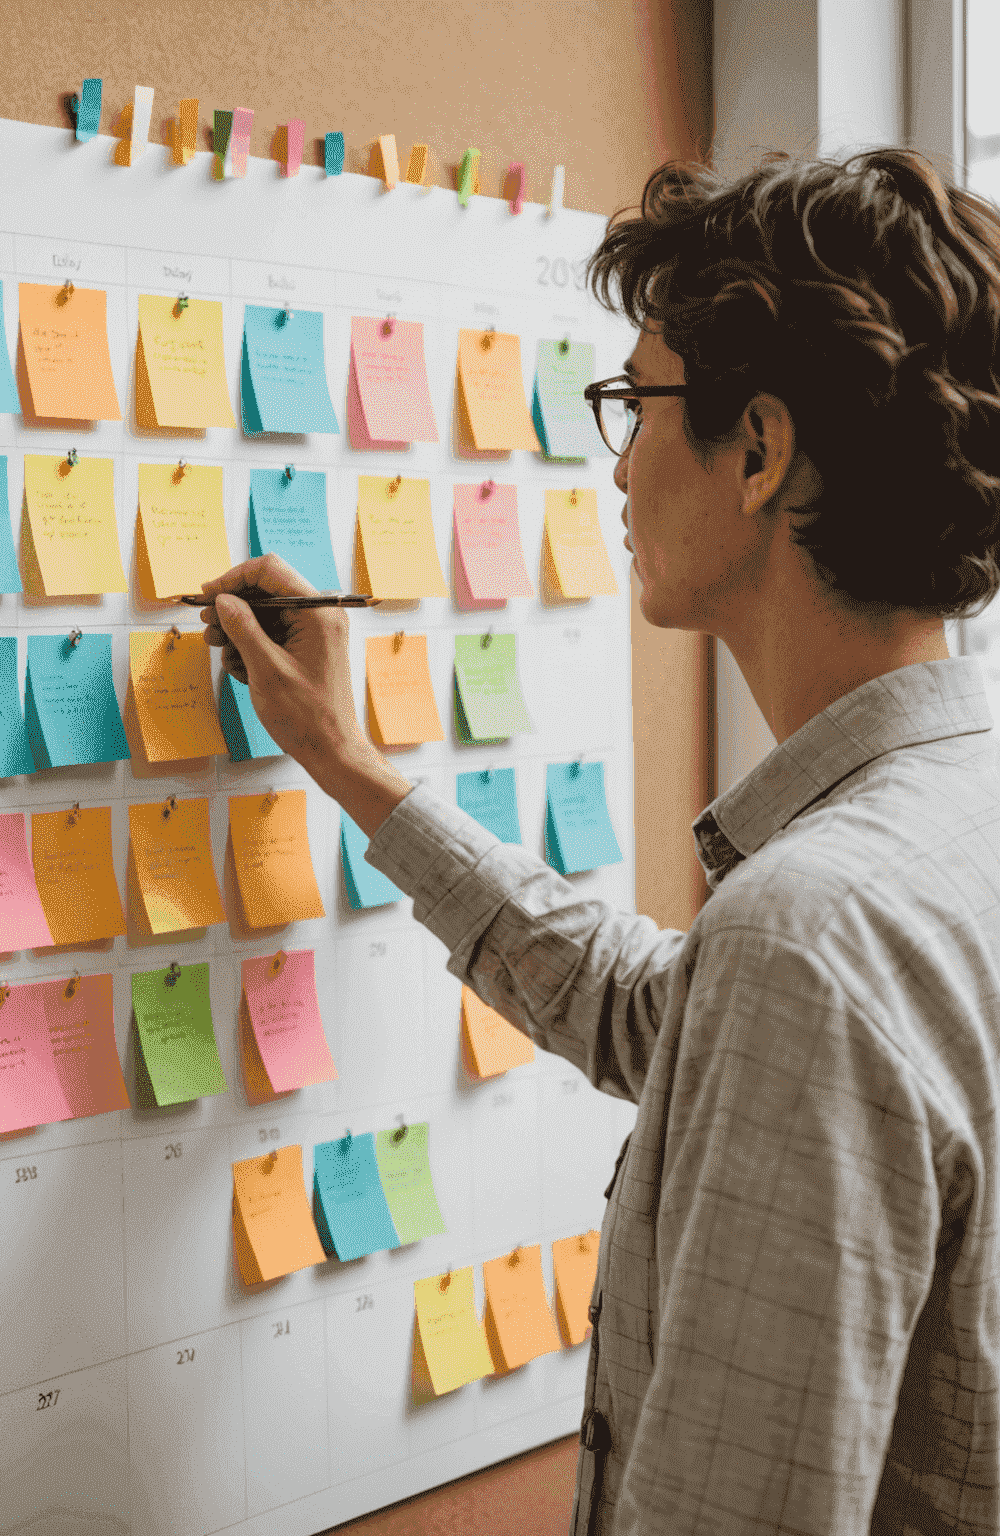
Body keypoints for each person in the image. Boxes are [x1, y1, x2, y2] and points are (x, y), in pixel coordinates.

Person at [199, 149, 1000, 1536]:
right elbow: (662, 1015)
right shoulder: (942, 825)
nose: (620, 463)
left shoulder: (808, 937)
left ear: (758, 450)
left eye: (637, 404)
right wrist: (351, 765)